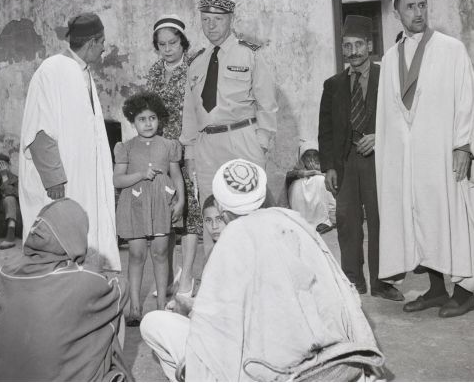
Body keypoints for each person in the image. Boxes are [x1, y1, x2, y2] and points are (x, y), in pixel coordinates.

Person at [141, 159, 385, 382]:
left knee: (154, 324)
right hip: (335, 359)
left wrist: (194, 318)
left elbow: (220, 330)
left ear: (222, 210)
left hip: (275, 371)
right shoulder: (295, 222)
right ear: (262, 196)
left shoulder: (232, 239)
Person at [376, 0, 474, 318]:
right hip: (410, 160)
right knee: (422, 219)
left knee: (451, 217)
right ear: (397, 12)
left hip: (443, 153)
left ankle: (465, 291)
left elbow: (466, 100)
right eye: (410, 7)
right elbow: (387, 115)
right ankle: (437, 290)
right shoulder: (391, 56)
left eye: (422, 5)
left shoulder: (450, 48)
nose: (418, 12)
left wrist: (462, 145)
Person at [0, 198, 130, 382]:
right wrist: (91, 265)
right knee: (111, 315)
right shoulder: (83, 280)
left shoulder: (6, 273)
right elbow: (121, 286)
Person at [18, 13, 120, 272]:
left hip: (83, 182)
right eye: (103, 41)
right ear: (92, 42)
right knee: (60, 245)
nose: (104, 48)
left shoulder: (81, 72)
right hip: (62, 185)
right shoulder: (52, 70)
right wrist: (54, 180)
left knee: (85, 244)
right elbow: (39, 131)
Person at [180, 0, 278, 253]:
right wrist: (189, 152)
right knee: (211, 215)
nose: (210, 26)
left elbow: (267, 103)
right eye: (205, 19)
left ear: (231, 19)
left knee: (249, 213)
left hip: (242, 140)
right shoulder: (196, 62)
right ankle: (217, 281)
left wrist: (262, 143)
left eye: (218, 19)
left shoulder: (250, 54)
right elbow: (190, 112)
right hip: (206, 146)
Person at [318, 15, 403, 301]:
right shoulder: (333, 85)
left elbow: (403, 119)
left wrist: (380, 136)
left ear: (369, 45)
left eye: (358, 45)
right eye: (347, 46)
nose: (352, 51)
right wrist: (328, 166)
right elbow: (325, 131)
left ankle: (381, 282)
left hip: (380, 161)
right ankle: (353, 281)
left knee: (381, 220)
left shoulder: (389, 77)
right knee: (346, 221)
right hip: (345, 163)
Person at [114, 92, 184, 326]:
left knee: (161, 253)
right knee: (136, 254)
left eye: (152, 118)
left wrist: (181, 201)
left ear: (159, 120)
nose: (147, 123)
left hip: (161, 205)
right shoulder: (126, 148)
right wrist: (140, 175)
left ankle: (161, 305)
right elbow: (117, 180)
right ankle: (135, 307)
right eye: (142, 119)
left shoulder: (168, 146)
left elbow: (176, 175)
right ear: (133, 121)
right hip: (134, 205)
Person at [146, 14, 203, 299]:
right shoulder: (154, 72)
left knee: (190, 214)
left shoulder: (195, 67)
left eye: (172, 42)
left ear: (182, 42)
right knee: (164, 216)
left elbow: (198, 109)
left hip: (188, 148)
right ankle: (166, 278)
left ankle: (187, 277)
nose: (167, 49)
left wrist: (184, 142)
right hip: (160, 153)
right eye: (161, 44)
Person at [286, 140, 336, 234]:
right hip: (302, 210)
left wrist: (318, 171)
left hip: (324, 208)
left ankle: (323, 221)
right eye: (308, 155)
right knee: (296, 185)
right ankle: (300, 220)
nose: (312, 158)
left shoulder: (327, 167)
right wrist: (308, 172)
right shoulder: (299, 167)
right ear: (303, 158)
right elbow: (289, 175)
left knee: (320, 180)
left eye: (315, 155)